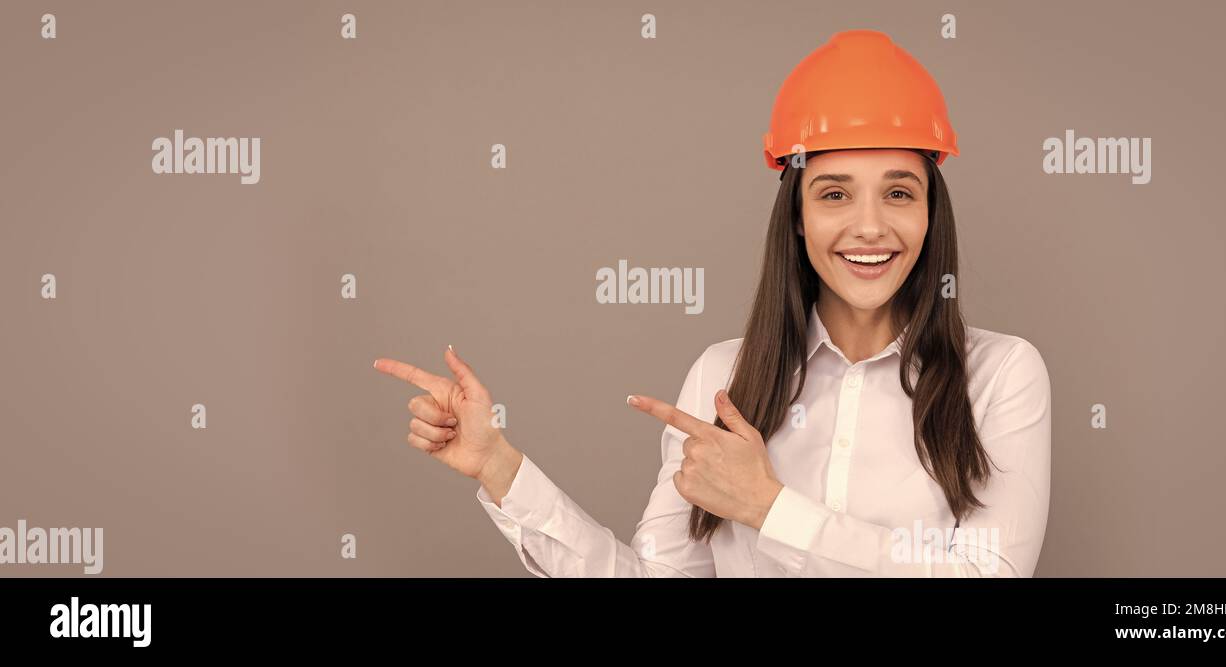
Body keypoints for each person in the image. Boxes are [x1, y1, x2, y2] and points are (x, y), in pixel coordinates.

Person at [374, 29, 1051, 577]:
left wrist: (769, 507)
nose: (869, 226)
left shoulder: (1000, 375)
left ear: (932, 213)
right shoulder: (723, 379)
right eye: (835, 193)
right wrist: (498, 466)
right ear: (797, 217)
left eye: (899, 192)